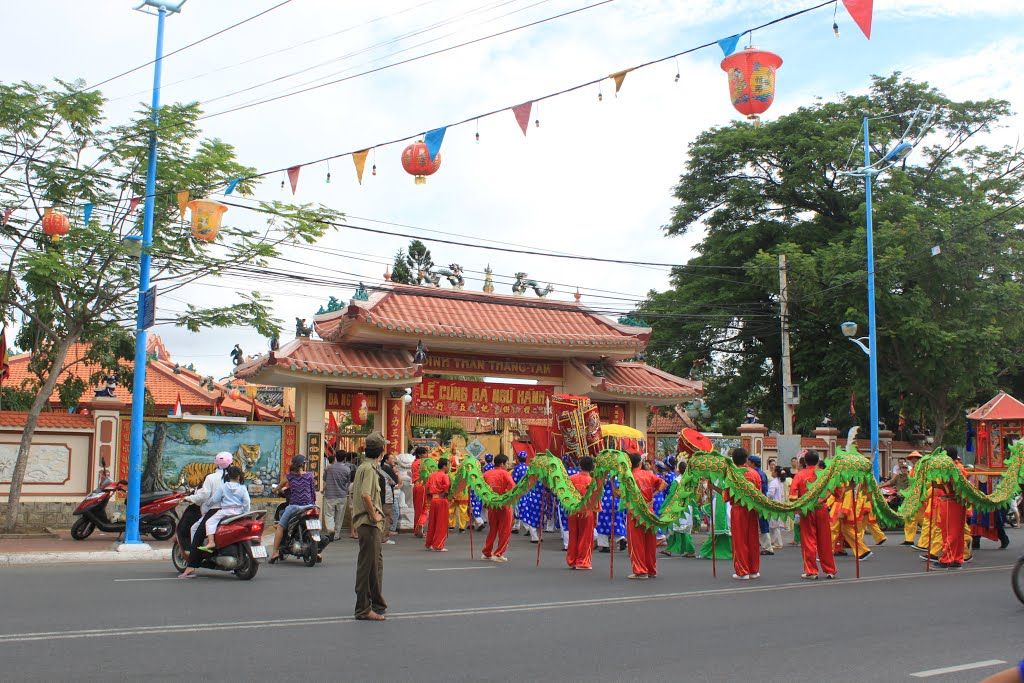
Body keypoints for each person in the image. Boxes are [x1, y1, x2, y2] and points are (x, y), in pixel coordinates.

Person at [179, 451, 233, 578]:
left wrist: (190, 498)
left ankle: (191, 566)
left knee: (196, 530)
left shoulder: (211, 477)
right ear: (231, 462)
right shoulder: (236, 476)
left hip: (217, 510)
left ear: (216, 463)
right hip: (236, 511)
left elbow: (203, 495)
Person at [352, 432, 388, 621]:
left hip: (368, 524)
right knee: (367, 568)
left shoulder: (366, 467)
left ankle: (377, 603)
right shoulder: (368, 470)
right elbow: (365, 495)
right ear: (382, 451)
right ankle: (363, 609)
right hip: (368, 524)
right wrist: (374, 516)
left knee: (375, 566)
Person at [789, 450, 837, 580]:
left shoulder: (799, 475)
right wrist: (823, 499)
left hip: (806, 511)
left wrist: (798, 506)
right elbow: (834, 490)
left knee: (808, 540)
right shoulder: (824, 475)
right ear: (818, 461)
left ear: (804, 461)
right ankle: (830, 570)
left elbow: (792, 496)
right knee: (825, 540)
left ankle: (811, 571)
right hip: (822, 509)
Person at [625, 453, 667, 580]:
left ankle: (640, 570)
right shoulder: (649, 474)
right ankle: (651, 569)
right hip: (649, 512)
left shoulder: (629, 477)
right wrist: (653, 495)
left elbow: (620, 494)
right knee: (650, 542)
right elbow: (663, 484)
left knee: (637, 543)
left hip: (635, 514)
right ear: (640, 463)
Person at [268, 455, 317, 564]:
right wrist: (313, 503)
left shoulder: (289, 476)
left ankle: (275, 552)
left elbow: (279, 487)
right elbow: (313, 492)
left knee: (280, 526)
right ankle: (317, 552)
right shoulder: (309, 475)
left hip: (294, 506)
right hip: (310, 506)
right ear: (303, 464)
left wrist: (274, 490)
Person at [726, 448, 762, 580]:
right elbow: (759, 495)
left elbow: (727, 496)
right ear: (746, 459)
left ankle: (742, 570)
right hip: (752, 510)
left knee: (740, 540)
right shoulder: (755, 474)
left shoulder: (732, 474)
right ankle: (754, 570)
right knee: (752, 539)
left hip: (738, 510)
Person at [198, 465, 251, 551]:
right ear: (239, 476)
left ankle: (211, 542)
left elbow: (215, 499)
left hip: (225, 512)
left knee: (209, 522)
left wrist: (207, 504)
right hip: (239, 512)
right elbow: (247, 501)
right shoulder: (242, 488)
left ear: (228, 475)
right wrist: (246, 512)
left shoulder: (223, 487)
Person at [566, 456, 602, 570]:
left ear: (580, 465)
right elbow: (596, 500)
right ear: (592, 467)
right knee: (585, 537)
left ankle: (572, 560)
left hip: (573, 510)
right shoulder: (592, 481)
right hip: (587, 512)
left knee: (573, 536)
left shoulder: (571, 479)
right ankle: (582, 561)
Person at [481, 454, 516, 562]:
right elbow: (513, 488)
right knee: (504, 531)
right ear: (502, 464)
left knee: (492, 530)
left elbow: (482, 489)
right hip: (504, 506)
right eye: (506, 463)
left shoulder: (486, 474)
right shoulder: (505, 473)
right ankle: (498, 553)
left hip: (492, 505)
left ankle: (487, 552)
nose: (507, 466)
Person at [937, 447, 968, 569]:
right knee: (957, 532)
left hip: (952, 502)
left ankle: (946, 559)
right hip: (956, 503)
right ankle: (957, 558)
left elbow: (954, 488)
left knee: (951, 532)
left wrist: (939, 485)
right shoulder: (958, 467)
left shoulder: (954, 469)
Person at [661, 459, 696, 558]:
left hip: (678, 507)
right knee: (679, 528)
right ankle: (669, 549)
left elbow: (671, 495)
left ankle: (690, 550)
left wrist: (665, 506)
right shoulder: (690, 480)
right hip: (688, 507)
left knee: (677, 528)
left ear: (678, 470)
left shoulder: (677, 481)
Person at [322, 452, 352, 539]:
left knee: (329, 514)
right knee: (340, 516)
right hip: (342, 495)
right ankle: (336, 535)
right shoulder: (347, 469)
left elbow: (325, 481)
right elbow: (348, 482)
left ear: (335, 457)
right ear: (344, 459)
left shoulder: (328, 468)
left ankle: (330, 530)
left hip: (330, 495)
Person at [424, 457, 451, 552]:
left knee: (432, 523)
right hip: (441, 500)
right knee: (441, 523)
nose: (449, 467)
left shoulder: (432, 475)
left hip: (433, 500)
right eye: (448, 465)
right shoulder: (445, 476)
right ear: (444, 466)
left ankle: (429, 543)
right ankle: (438, 545)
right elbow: (447, 486)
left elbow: (427, 487)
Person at [750, 455, 773, 556]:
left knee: (762, 524)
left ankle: (768, 547)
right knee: (762, 523)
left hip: (759, 502)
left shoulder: (756, 474)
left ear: (753, 464)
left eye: (749, 462)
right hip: (762, 501)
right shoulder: (762, 473)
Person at [380, 453, 399, 545]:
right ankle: (384, 537)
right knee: (386, 516)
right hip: (387, 496)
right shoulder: (387, 468)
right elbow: (396, 481)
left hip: (381, 495)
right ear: (386, 460)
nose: (394, 460)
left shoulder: (380, 467)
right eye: (392, 459)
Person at [410, 446, 429, 537]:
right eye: (425, 453)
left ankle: (417, 529)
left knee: (417, 509)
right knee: (424, 508)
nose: (427, 455)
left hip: (416, 486)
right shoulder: (423, 463)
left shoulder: (414, 463)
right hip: (422, 486)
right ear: (420, 455)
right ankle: (420, 526)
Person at [766, 465, 786, 550]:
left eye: (773, 471)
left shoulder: (774, 482)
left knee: (774, 525)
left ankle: (778, 543)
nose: (772, 472)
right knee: (774, 524)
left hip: (774, 504)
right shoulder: (780, 482)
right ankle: (773, 541)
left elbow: (770, 494)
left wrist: (765, 497)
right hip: (779, 504)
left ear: (776, 473)